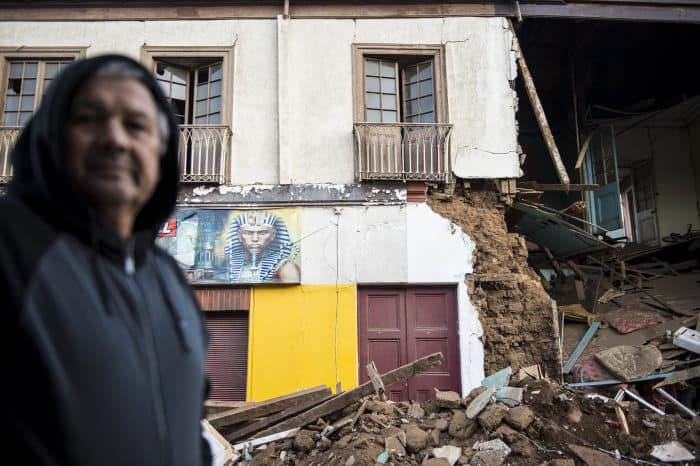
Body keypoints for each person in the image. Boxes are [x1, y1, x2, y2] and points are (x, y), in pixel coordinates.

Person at [0, 55, 211, 465]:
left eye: (136, 125)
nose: (115, 139)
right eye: (89, 119)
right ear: (52, 136)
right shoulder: (10, 246)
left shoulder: (168, 277)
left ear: (161, 150)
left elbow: (190, 421)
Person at [225, 212, 300, 283]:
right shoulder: (227, 266)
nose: (255, 239)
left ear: (273, 235)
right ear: (239, 235)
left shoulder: (286, 267)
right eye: (248, 233)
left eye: (263, 232)